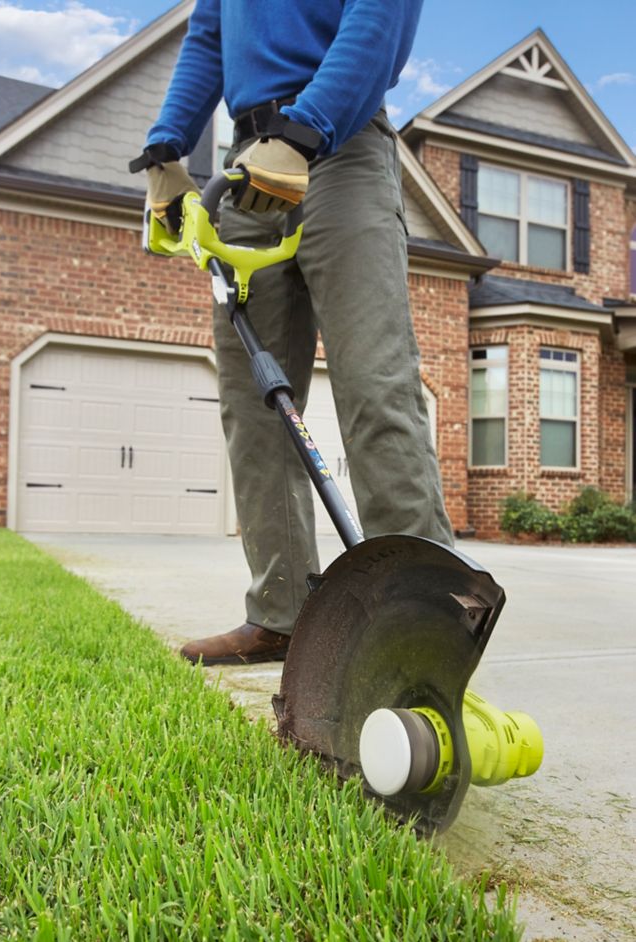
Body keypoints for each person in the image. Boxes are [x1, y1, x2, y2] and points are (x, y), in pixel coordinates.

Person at [131, 0, 454, 666]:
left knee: (374, 384)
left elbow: (378, 20)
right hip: (246, 166)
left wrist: (306, 128)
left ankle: (422, 617)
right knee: (254, 408)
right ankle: (280, 614)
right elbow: (207, 41)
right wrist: (166, 146)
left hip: (342, 146)